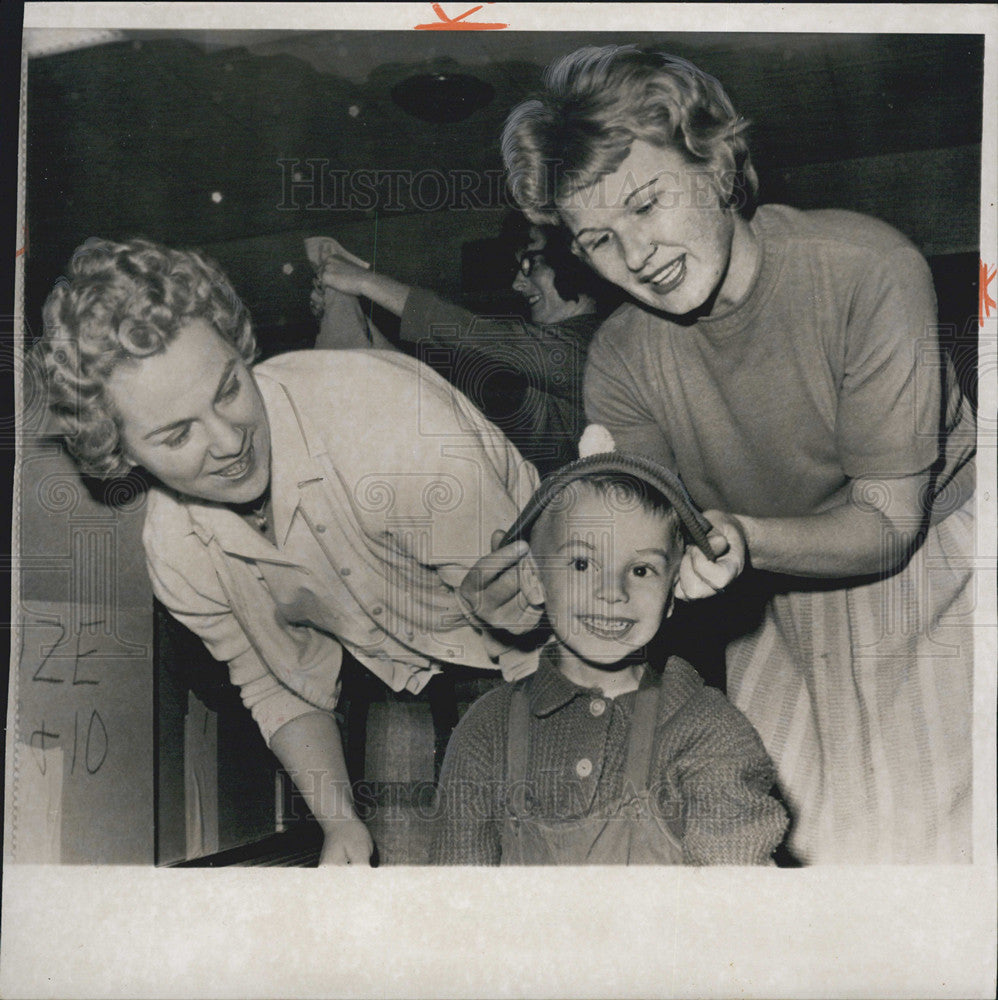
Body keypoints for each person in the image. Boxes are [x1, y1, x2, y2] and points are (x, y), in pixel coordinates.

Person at [499, 45, 976, 863]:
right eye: (600, 240)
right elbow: (657, 537)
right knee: (799, 842)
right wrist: (546, 580)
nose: (637, 255)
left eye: (648, 204)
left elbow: (888, 523)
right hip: (775, 594)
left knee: (926, 845)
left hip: (936, 560)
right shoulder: (619, 359)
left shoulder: (867, 269)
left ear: (717, 167)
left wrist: (745, 541)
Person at [35, 237, 541, 865]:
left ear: (237, 346)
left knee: (538, 842)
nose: (227, 442)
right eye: (176, 433)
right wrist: (340, 827)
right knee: (398, 870)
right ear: (121, 452)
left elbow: (532, 637)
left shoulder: (395, 429)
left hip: (529, 624)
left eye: (228, 390)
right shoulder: (176, 552)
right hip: (388, 652)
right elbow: (277, 687)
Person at [432, 444, 788, 865]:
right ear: (533, 579)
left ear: (672, 593)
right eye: (582, 564)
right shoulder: (486, 732)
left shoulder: (707, 730)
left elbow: (737, 904)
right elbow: (457, 904)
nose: (613, 592)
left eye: (641, 570)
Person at [311, 221, 605, 475]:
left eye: (529, 265)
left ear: (568, 260)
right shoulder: (537, 372)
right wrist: (358, 319)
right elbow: (438, 398)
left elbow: (481, 336)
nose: (517, 284)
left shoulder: (596, 348)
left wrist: (364, 281)